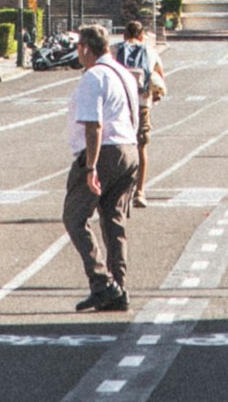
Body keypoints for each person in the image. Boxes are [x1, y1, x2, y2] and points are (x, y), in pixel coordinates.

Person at [63, 22, 140, 313]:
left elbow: (94, 126)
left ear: (85, 48)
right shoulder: (124, 74)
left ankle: (102, 283)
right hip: (128, 150)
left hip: (104, 152)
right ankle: (119, 287)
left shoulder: (93, 77)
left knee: (74, 216)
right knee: (113, 221)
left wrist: (90, 167)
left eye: (78, 48)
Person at [115, 19, 165, 210]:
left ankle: (116, 191)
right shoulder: (150, 52)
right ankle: (140, 192)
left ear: (124, 35)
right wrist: (156, 96)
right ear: (142, 36)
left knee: (116, 146)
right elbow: (160, 76)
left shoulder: (115, 50)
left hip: (119, 105)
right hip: (142, 105)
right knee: (141, 147)